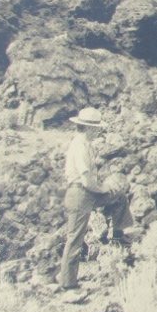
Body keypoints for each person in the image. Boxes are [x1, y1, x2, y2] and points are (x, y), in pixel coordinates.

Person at [57, 107, 133, 291]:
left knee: (119, 196)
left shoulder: (84, 144)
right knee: (75, 239)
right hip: (80, 194)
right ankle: (67, 283)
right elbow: (86, 181)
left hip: (86, 194)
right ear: (89, 128)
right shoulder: (80, 146)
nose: (98, 132)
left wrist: (104, 190)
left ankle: (118, 236)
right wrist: (103, 188)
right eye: (97, 128)